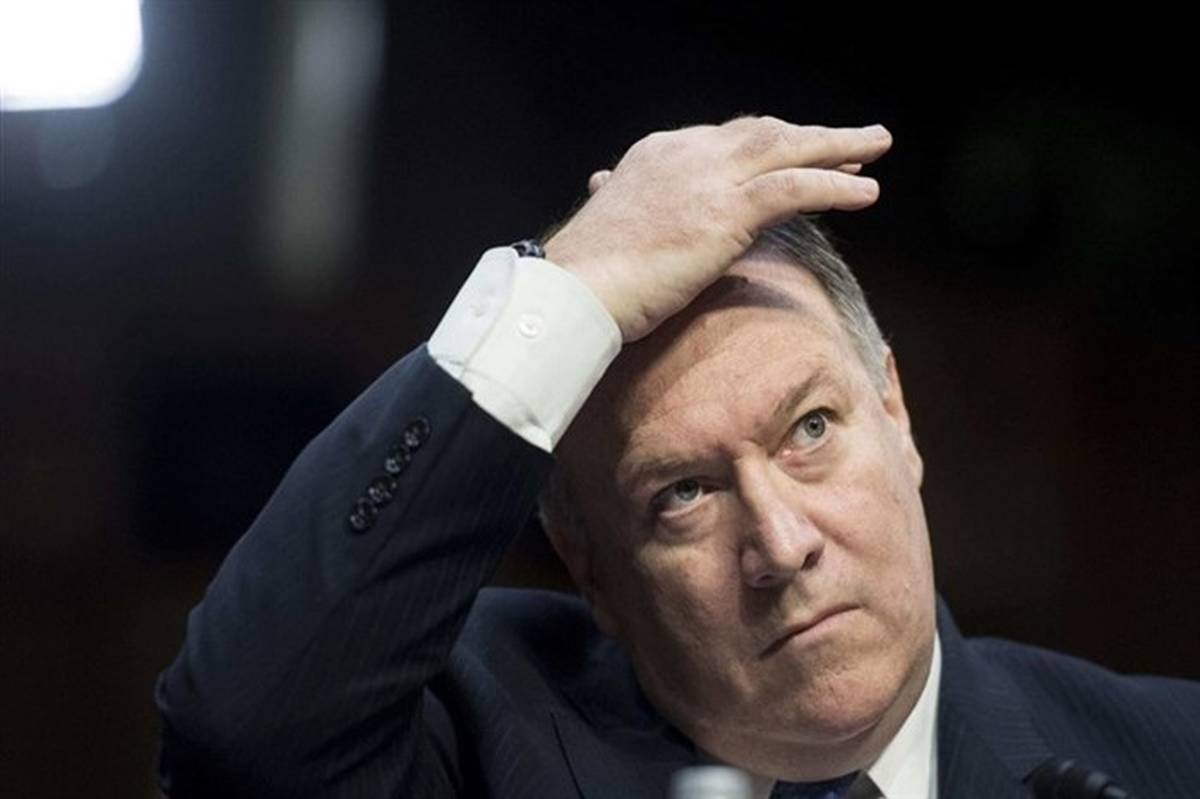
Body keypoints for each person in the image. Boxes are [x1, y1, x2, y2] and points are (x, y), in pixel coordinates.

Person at [154, 118, 1200, 799]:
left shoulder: (1165, 755)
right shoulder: (482, 741)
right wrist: (568, 286)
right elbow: (244, 733)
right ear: (590, 568)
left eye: (810, 429)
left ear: (896, 411)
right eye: (685, 493)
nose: (780, 544)